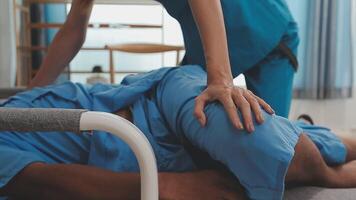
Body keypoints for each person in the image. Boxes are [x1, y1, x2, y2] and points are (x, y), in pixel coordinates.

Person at [1, 65, 356, 200]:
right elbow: (44, 180)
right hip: (136, 149)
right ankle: (315, 145)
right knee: (292, 143)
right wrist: (167, 186)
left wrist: (219, 79)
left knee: (265, 144)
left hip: (157, 98)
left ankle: (328, 174)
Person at [29, 0, 299, 133]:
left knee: (276, 147)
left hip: (268, 32)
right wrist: (29, 96)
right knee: (193, 138)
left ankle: (327, 138)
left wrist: (220, 79)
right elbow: (73, 29)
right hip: (206, 49)